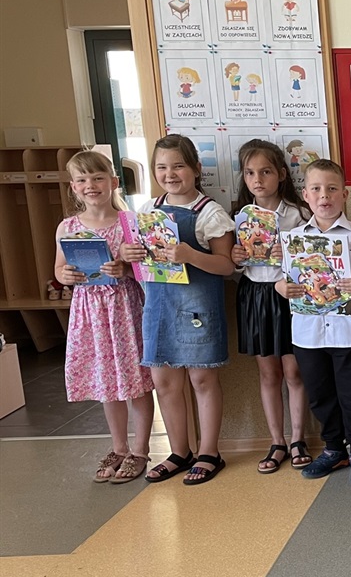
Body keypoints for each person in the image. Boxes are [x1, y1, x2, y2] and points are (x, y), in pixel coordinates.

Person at [120, 135, 235, 484]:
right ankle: (179, 451)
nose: (170, 174)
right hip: (158, 308)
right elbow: (140, 265)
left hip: (198, 308)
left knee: (202, 379)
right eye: (161, 167)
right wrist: (129, 256)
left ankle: (209, 452)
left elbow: (226, 266)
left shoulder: (210, 212)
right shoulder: (147, 210)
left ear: (196, 169)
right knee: (164, 381)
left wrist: (191, 255)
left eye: (178, 166)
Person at [54, 150, 156, 484]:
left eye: (98, 178)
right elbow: (59, 269)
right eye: (82, 180)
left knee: (136, 381)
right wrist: (66, 276)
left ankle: (140, 449)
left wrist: (124, 267)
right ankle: (119, 447)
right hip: (90, 314)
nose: (91, 185)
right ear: (73, 187)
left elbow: (146, 269)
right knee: (106, 382)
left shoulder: (129, 223)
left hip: (125, 309)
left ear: (113, 182)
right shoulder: (68, 227)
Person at [279, 159, 351, 486]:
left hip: (350, 333)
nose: (325, 196)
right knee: (320, 395)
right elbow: (283, 278)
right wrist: (282, 288)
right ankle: (334, 449)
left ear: (344, 194)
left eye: (332, 189)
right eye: (317, 189)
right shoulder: (293, 238)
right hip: (307, 334)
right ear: (306, 195)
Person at [230, 139, 312, 474]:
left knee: (294, 371)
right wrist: (236, 258)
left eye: (265, 172)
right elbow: (235, 266)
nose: (257, 179)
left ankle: (298, 439)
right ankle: (277, 441)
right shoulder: (239, 217)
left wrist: (289, 254)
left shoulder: (299, 214)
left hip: (290, 294)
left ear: (281, 174)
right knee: (268, 372)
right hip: (255, 295)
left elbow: (313, 260)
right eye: (250, 173)